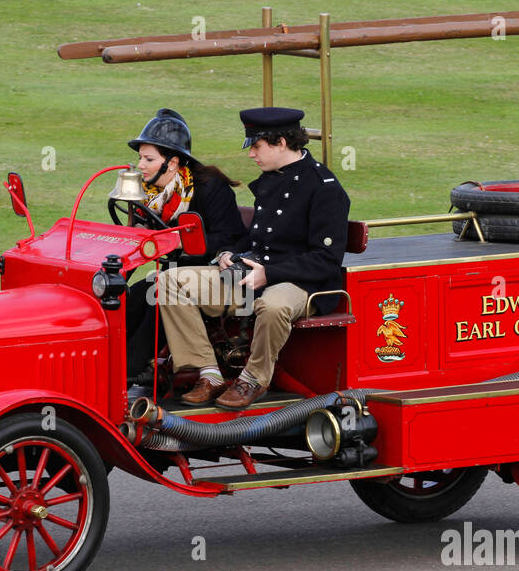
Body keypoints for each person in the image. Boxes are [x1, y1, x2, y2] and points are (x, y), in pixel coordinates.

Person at [157, 107, 350, 409]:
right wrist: (229, 254)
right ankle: (208, 372)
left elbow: (324, 259)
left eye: (257, 147)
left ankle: (254, 378)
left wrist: (268, 273)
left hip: (302, 282)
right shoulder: (272, 178)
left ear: (281, 143)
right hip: (254, 272)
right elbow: (259, 237)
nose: (251, 155)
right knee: (169, 281)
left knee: (273, 305)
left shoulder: (324, 188)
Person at [122, 109, 246, 391]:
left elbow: (232, 239)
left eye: (149, 159)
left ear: (172, 162)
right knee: (132, 297)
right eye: (140, 157)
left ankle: (128, 372)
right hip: (173, 274)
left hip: (219, 275)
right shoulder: (148, 193)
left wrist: (180, 241)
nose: (141, 165)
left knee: (157, 300)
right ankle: (113, 363)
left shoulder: (210, 188)